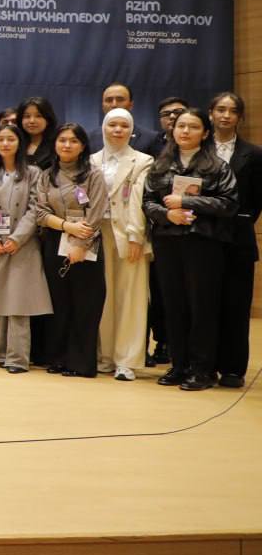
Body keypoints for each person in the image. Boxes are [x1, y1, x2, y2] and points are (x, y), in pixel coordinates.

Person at [143, 109, 238, 391]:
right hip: (167, 242)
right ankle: (179, 365)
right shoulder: (160, 165)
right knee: (173, 305)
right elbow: (147, 202)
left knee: (202, 306)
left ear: (205, 133)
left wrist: (187, 202)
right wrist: (166, 214)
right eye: (180, 126)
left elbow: (229, 203)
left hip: (203, 243)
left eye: (193, 127)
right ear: (172, 131)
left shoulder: (217, 166)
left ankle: (202, 369)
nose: (185, 131)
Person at [0, 124, 52, 373]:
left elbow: (35, 209)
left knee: (19, 302)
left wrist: (17, 238)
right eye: (1, 140)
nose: (5, 144)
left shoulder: (33, 173)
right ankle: (1, 353)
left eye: (11, 139)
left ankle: (17, 358)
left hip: (23, 246)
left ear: (20, 143)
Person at [35, 124, 108, 378]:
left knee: (85, 305)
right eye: (62, 140)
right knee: (59, 303)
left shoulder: (94, 175)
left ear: (83, 146)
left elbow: (96, 213)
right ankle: (58, 358)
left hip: (87, 242)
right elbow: (41, 212)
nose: (67, 145)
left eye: (73, 141)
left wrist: (80, 245)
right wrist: (67, 226)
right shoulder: (46, 175)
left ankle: (81, 363)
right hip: (56, 240)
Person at [89, 108, 153, 381]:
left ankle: (126, 360)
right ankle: (106, 355)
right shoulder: (91, 160)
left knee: (131, 298)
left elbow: (138, 201)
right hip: (98, 234)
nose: (117, 130)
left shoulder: (143, 161)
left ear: (131, 131)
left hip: (128, 235)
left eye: (124, 126)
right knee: (104, 296)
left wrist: (136, 235)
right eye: (112, 124)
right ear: (103, 127)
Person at [208, 92, 261, 389]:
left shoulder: (254, 154)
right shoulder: (198, 149)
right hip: (202, 238)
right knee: (205, 304)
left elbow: (256, 200)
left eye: (232, 111)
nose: (226, 115)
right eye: (221, 109)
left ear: (240, 117)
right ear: (211, 114)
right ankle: (204, 364)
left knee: (236, 305)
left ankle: (232, 368)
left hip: (238, 239)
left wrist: (238, 220)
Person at [86, 83, 163, 156]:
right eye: (109, 100)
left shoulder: (151, 138)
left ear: (131, 105)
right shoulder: (90, 138)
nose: (114, 104)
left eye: (120, 100)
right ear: (102, 106)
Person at [17, 96, 58, 170]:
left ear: (48, 120)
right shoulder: (16, 144)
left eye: (38, 116)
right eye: (27, 116)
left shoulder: (57, 145)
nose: (32, 121)